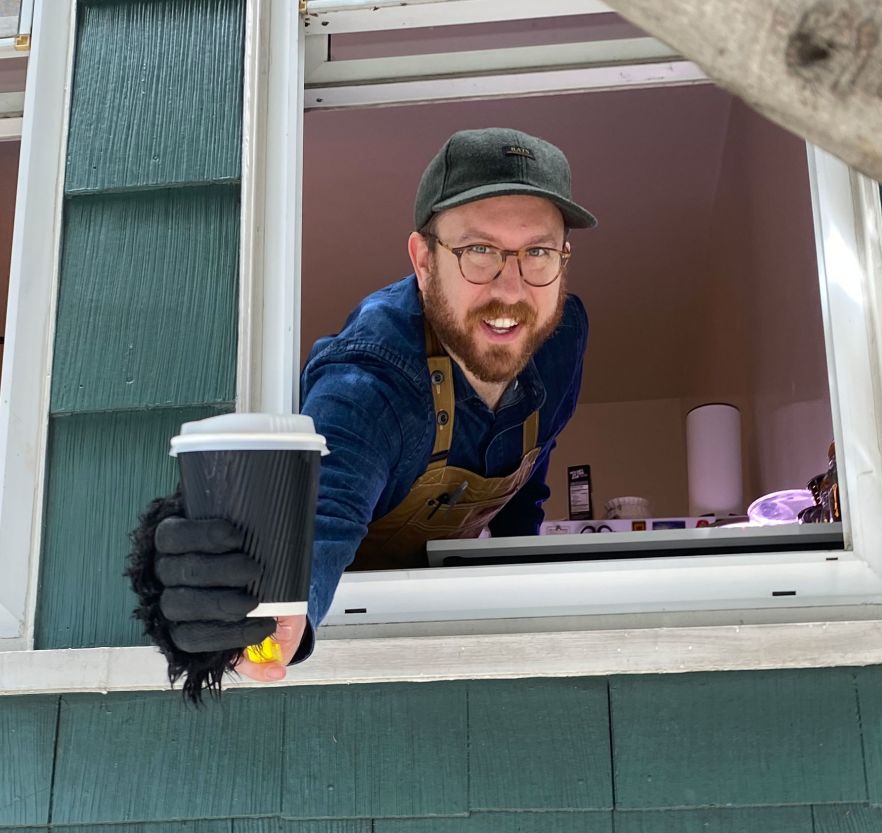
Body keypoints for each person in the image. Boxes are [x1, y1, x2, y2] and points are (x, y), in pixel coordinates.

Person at [142, 127, 596, 684]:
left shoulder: (562, 334)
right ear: (424, 260)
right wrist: (266, 609)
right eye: (479, 251)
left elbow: (531, 469)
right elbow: (320, 518)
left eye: (538, 252)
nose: (512, 289)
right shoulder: (370, 380)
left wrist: (520, 589)